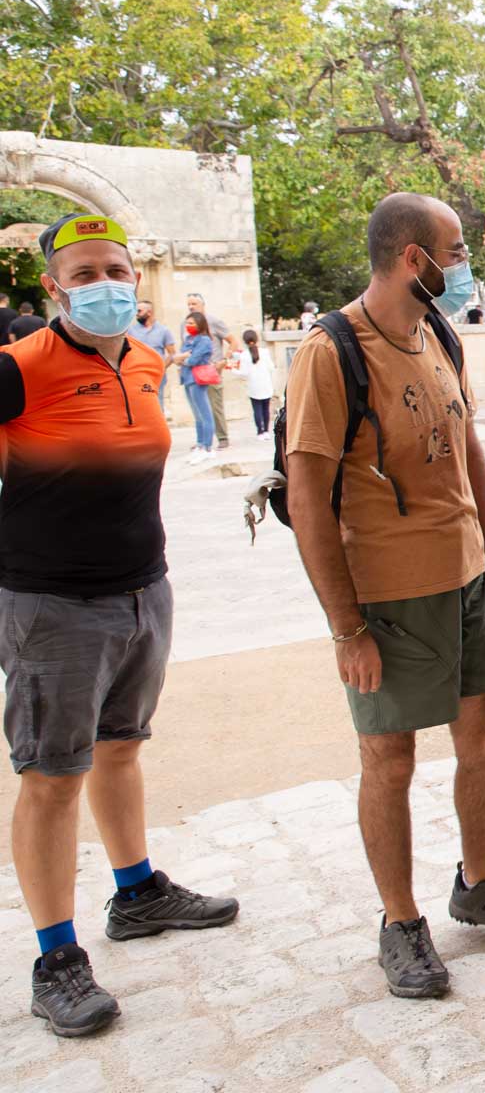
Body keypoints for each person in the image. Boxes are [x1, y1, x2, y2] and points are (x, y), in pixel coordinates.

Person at [284, 192, 485, 1000]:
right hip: (386, 599)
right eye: (455, 250)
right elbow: (307, 497)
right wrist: (346, 629)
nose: (464, 264)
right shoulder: (331, 352)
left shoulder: (439, 332)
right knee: (389, 759)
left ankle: (478, 883)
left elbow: (468, 449)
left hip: (464, 580)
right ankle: (400, 922)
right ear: (413, 259)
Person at [2, 214, 238, 1038]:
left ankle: (136, 893)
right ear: (53, 287)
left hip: (143, 591)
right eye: (85, 273)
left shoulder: (144, 358)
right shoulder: (18, 368)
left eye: (116, 269)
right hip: (52, 606)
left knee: (121, 748)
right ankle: (56, 960)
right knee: (51, 776)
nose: (105, 284)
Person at [185, 293, 232, 449]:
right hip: (194, 373)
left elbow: (233, 341)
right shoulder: (187, 324)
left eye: (194, 304)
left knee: (215, 405)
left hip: (210, 371)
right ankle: (203, 440)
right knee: (199, 408)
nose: (191, 307)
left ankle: (222, 437)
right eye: (189, 304)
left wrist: (224, 360)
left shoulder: (214, 322)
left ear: (202, 305)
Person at [177, 311, 216, 462]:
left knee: (205, 414)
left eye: (191, 323)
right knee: (197, 415)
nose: (188, 326)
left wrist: (184, 358)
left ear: (200, 324)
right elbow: (178, 358)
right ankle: (200, 445)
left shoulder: (204, 340)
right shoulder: (188, 339)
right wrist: (184, 357)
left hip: (197, 379)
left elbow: (192, 360)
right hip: (187, 378)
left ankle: (208, 447)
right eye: (187, 323)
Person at [127, 299, 177, 412]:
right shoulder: (131, 331)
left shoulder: (163, 331)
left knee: (157, 403)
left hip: (157, 374)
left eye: (139, 311)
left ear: (149, 312)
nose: (136, 314)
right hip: (137, 374)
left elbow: (172, 353)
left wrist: (161, 368)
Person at [236, 328, 274, 438]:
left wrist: (233, 370)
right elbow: (271, 367)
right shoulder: (265, 352)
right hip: (266, 384)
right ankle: (266, 431)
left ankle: (260, 432)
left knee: (257, 409)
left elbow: (244, 373)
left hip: (253, 386)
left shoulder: (244, 355)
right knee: (266, 408)